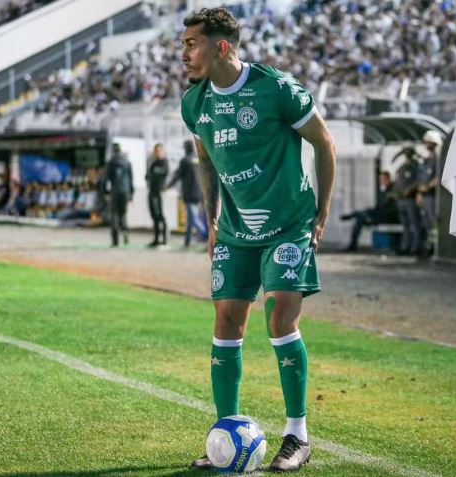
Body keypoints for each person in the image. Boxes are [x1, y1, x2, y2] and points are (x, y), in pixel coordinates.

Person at [180, 8, 336, 472]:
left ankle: (297, 435)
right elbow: (204, 158)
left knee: (280, 315)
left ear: (221, 46)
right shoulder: (195, 103)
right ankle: (225, 434)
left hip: (288, 223)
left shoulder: (276, 88)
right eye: (184, 44)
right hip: (235, 231)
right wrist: (212, 218)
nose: (185, 53)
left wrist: (321, 210)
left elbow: (324, 142)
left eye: (192, 43)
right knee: (227, 319)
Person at [340, 171, 398, 251]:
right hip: (379, 214)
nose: (381, 181)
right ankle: (353, 243)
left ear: (388, 179)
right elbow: (380, 206)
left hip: (385, 216)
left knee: (360, 216)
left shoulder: (392, 190)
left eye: (383, 179)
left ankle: (352, 218)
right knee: (360, 219)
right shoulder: (384, 191)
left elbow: (388, 206)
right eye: (380, 179)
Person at [166, 139, 208, 247]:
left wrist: (167, 186)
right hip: (200, 192)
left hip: (189, 193)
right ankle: (187, 241)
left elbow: (177, 175)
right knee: (190, 219)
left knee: (193, 218)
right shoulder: (197, 158)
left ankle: (206, 234)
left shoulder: (185, 161)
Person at [100, 143, 134, 246]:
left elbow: (105, 178)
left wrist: (104, 191)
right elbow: (131, 179)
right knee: (123, 214)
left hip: (115, 191)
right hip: (125, 190)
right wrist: (131, 193)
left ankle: (115, 240)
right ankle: (125, 232)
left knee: (114, 214)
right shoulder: (127, 162)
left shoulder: (111, 162)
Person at [417, 130, 443, 257]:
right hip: (426, 197)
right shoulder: (427, 160)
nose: (426, 144)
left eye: (428, 142)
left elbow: (439, 178)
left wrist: (426, 187)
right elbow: (422, 179)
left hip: (434, 197)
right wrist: (420, 194)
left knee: (433, 223)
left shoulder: (439, 159)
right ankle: (430, 247)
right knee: (427, 223)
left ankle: (436, 249)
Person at [392, 147, 422, 255]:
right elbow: (396, 180)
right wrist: (396, 191)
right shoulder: (402, 167)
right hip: (401, 200)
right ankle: (405, 246)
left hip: (411, 200)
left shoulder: (416, 166)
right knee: (405, 225)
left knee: (414, 224)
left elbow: (419, 181)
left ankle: (416, 247)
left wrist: (410, 189)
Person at [145, 143, 169, 247]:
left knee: (160, 216)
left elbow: (159, 173)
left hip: (159, 192)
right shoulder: (153, 163)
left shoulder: (164, 162)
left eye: (159, 151)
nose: (157, 153)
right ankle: (156, 239)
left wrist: (153, 174)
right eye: (156, 151)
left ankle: (164, 240)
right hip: (152, 191)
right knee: (154, 216)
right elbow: (147, 175)